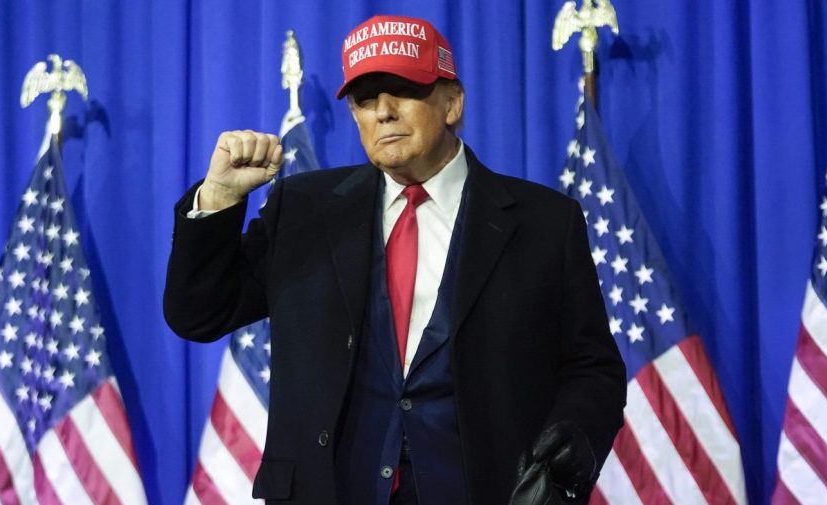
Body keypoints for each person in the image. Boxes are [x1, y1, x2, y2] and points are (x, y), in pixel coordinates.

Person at [164, 14, 625, 505]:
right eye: (365, 99)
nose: (383, 111)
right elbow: (200, 314)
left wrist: (575, 436)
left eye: (403, 89)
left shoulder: (544, 223)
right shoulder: (302, 210)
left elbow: (593, 367)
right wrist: (218, 201)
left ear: (452, 103)